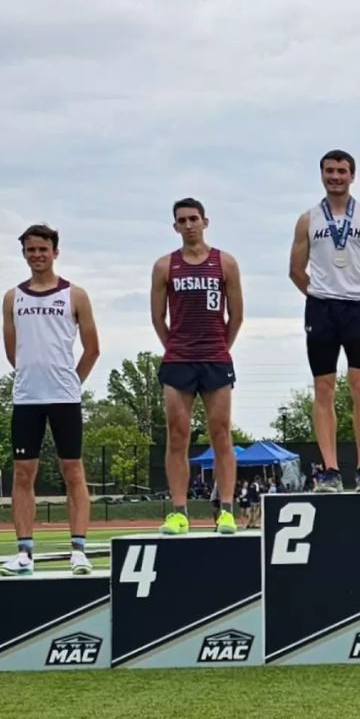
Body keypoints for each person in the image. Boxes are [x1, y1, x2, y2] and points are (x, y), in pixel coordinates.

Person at [289, 150, 360, 493]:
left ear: (353, 175)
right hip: (321, 309)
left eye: (342, 171)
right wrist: (319, 294)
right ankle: (331, 471)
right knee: (323, 388)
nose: (335, 176)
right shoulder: (307, 219)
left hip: (358, 308)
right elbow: (295, 270)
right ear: (322, 174)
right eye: (330, 171)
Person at [0, 224, 100, 576]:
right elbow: (13, 351)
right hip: (26, 398)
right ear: (24, 254)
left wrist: (71, 382)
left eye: (43, 249)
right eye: (31, 250)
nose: (37, 255)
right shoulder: (12, 298)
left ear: (55, 252)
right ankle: (24, 553)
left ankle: (79, 551)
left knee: (73, 470)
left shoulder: (75, 295)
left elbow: (92, 348)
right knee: (23, 473)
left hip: (64, 399)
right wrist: (32, 376)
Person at [151, 198, 244, 535]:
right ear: (174, 226)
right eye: (182, 220)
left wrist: (220, 347)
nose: (189, 225)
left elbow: (237, 315)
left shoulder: (225, 263)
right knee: (178, 434)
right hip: (178, 360)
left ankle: (226, 511)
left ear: (205, 221)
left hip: (215, 358)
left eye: (193, 219)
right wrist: (175, 348)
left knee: (221, 432)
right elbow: (158, 317)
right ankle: (179, 512)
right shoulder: (165, 266)